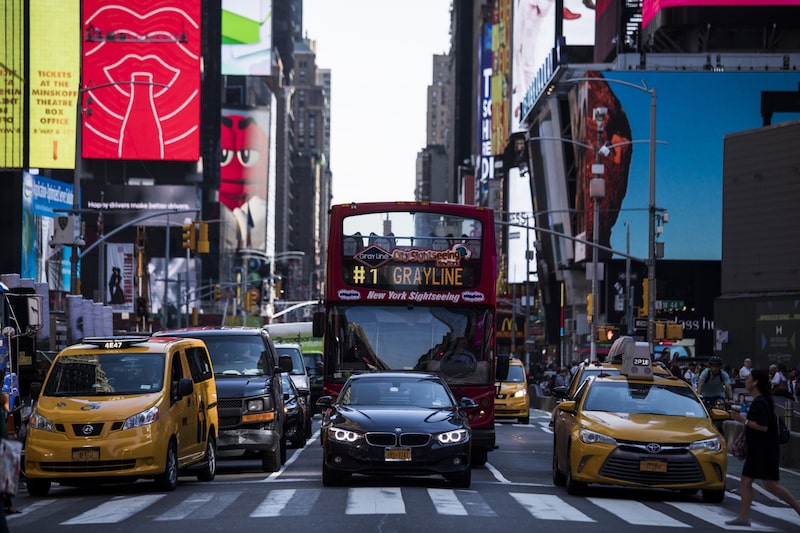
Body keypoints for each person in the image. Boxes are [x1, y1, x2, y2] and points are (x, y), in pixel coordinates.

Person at [726, 369, 800, 526]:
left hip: (764, 450)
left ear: (755, 382)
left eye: (748, 379)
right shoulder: (761, 401)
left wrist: (742, 420)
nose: (745, 381)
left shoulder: (760, 402)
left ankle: (797, 508)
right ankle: (744, 517)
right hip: (759, 450)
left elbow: (763, 426)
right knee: (748, 481)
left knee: (769, 485)